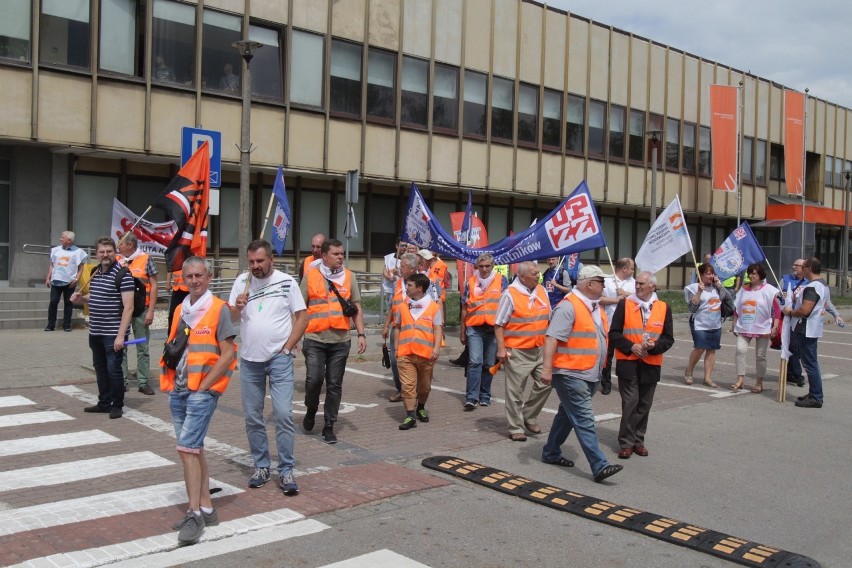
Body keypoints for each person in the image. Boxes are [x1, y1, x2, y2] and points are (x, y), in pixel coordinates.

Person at [160, 256, 237, 544]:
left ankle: (194, 514)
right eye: (189, 276)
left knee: (187, 449)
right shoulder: (182, 308)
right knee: (193, 449)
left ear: (208, 277)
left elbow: (229, 353)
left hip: (201, 391)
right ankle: (206, 508)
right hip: (179, 389)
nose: (194, 280)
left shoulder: (219, 309)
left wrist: (204, 386)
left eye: (199, 276)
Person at [229, 240, 307, 494]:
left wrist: (287, 347)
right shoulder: (241, 282)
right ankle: (261, 465)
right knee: (252, 417)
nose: (255, 266)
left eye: (260, 261)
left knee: (283, 414)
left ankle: (286, 470)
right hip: (250, 361)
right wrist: (237, 308)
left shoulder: (287, 282)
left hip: (279, 359)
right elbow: (231, 318)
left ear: (271, 259)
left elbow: (302, 317)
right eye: (251, 262)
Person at [540, 265, 623, 483]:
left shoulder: (594, 306)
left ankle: (551, 452)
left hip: (589, 373)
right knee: (584, 418)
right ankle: (599, 465)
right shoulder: (568, 307)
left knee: (567, 415)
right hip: (570, 373)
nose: (605, 286)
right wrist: (547, 369)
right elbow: (551, 338)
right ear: (589, 284)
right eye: (601, 282)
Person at [300, 238, 367, 443]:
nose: (340, 257)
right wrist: (294, 337)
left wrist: (361, 334)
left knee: (335, 384)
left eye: (342, 253)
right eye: (336, 254)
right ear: (324, 256)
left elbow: (356, 307)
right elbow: (300, 308)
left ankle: (329, 425)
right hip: (314, 338)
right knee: (314, 380)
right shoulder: (310, 275)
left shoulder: (349, 277)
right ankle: (311, 408)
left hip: (340, 340)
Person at [609, 272, 674, 459]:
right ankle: (626, 443)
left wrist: (654, 347)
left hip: (651, 363)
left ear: (652, 287)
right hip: (628, 362)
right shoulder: (625, 304)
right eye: (636, 283)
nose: (637, 287)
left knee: (644, 405)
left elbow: (668, 339)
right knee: (630, 403)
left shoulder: (663, 307)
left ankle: (639, 440)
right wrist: (631, 347)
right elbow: (614, 333)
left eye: (641, 284)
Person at [70, 237, 134, 419]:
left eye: (109, 251)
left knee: (114, 369)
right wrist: (81, 299)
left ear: (115, 252)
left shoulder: (123, 274)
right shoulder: (96, 272)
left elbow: (128, 307)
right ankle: (104, 402)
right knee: (100, 368)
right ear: (96, 254)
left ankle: (117, 404)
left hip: (113, 333)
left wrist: (121, 336)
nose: (105, 255)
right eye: (101, 251)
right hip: (96, 331)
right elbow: (95, 296)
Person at [495, 261, 552, 442]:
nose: (538, 275)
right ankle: (515, 427)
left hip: (540, 348)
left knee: (546, 383)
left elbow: (548, 318)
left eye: (538, 273)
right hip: (518, 350)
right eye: (534, 273)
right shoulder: (510, 294)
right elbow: (499, 324)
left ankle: (528, 415)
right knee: (515, 392)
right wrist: (502, 348)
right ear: (522, 276)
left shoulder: (541, 291)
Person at [460, 253, 509, 410]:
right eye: (481, 266)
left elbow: (508, 305)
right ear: (476, 267)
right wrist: (462, 330)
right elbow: (464, 307)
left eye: (487, 266)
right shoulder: (471, 282)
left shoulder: (502, 281)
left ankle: (485, 395)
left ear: (493, 266)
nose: (484, 269)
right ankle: (471, 397)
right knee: (475, 361)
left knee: (488, 363)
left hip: (494, 329)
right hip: (475, 327)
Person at [393, 273, 443, 430]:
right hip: (405, 353)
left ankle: (420, 407)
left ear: (419, 288)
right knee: (407, 386)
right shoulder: (403, 306)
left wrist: (436, 348)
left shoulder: (434, 307)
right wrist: (395, 348)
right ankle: (410, 416)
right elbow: (398, 327)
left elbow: (437, 329)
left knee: (424, 387)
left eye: (409, 285)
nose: (406, 287)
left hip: (426, 354)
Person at [117, 233, 159, 395]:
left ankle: (143, 382)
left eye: (121, 244)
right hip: (122, 311)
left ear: (130, 245)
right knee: (122, 346)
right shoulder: (118, 260)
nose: (118, 247)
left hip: (141, 310)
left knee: (142, 346)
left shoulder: (146, 259)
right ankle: (122, 381)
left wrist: (151, 311)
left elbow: (154, 286)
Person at [783, 258, 828, 408]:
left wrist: (790, 311)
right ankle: (814, 393)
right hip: (812, 327)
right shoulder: (822, 284)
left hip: (806, 328)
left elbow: (805, 310)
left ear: (808, 268)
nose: (800, 269)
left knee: (810, 363)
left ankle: (816, 397)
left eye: (802, 267)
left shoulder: (813, 287)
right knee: (810, 362)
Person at [730, 263, 780, 393]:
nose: (751, 275)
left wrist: (775, 326)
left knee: (760, 355)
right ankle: (740, 379)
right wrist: (734, 322)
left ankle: (759, 382)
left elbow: (776, 310)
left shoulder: (769, 290)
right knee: (740, 350)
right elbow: (737, 308)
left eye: (754, 273)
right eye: (750, 273)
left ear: (760, 275)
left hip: (762, 327)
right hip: (744, 326)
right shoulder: (743, 289)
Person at [683, 263, 732, 388]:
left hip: (715, 323)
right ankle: (689, 371)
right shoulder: (692, 288)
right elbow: (692, 308)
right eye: (708, 274)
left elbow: (728, 300)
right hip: (700, 323)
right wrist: (699, 292)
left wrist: (719, 286)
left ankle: (707, 377)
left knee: (711, 349)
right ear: (701, 275)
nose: (711, 276)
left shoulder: (716, 287)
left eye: (713, 273)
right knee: (700, 347)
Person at [382, 253, 419, 402]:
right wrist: (386, 326)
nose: (399, 268)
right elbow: (392, 305)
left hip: (413, 329)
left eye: (402, 266)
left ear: (411, 268)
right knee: (395, 359)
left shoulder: (422, 283)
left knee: (413, 361)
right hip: (396, 328)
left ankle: (412, 391)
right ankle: (400, 389)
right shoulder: (398, 283)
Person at [599, 257, 636, 395]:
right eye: (631, 268)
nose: (633, 271)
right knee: (607, 358)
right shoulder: (607, 281)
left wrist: (626, 294)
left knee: (626, 356)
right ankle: (606, 383)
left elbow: (640, 298)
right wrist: (615, 299)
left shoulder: (633, 283)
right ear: (624, 268)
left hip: (626, 327)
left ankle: (626, 382)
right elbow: (599, 298)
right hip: (608, 325)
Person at [44, 231, 87, 332]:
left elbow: (81, 268)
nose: (60, 239)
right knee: (53, 302)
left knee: (68, 303)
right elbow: (52, 265)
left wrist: (76, 279)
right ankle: (50, 325)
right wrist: (48, 277)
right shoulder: (55, 250)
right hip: (56, 280)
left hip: (69, 281)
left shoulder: (78, 252)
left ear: (69, 240)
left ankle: (67, 325)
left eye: (62, 237)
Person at [382, 239, 408, 311]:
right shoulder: (389, 257)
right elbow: (384, 270)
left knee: (398, 308)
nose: (404, 248)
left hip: (400, 289)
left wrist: (399, 274)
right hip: (388, 288)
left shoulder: (408, 259)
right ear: (397, 246)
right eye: (402, 246)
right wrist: (388, 277)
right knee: (388, 309)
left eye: (406, 246)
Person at [167, 268, 189, 333]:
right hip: (177, 288)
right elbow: (170, 267)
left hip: (189, 289)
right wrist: (168, 282)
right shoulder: (175, 257)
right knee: (173, 314)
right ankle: (170, 337)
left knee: (189, 314)